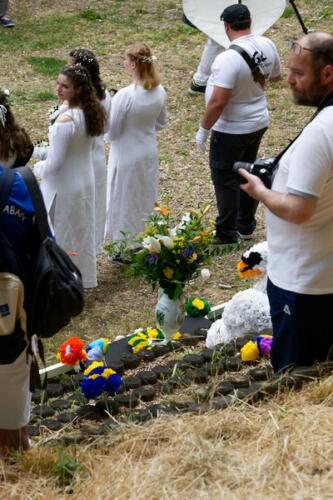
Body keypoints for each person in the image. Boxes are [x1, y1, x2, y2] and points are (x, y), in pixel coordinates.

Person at [239, 32, 333, 372]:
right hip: (323, 273)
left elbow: (299, 209)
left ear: (328, 75)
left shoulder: (322, 131)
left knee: (296, 378)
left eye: (298, 73)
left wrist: (260, 191)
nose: (288, 80)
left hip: (303, 285)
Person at [196, 3, 281, 245]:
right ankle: (246, 224)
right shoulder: (268, 44)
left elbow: (217, 103)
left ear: (226, 25)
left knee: (225, 178)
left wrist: (203, 129)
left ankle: (226, 233)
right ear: (249, 21)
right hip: (257, 121)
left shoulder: (227, 58)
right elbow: (275, 77)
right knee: (246, 170)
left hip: (231, 126)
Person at [34, 65, 106, 288]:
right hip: (84, 182)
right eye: (58, 83)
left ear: (78, 89)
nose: (58, 89)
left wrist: (35, 169)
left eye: (65, 86)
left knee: (59, 235)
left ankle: (59, 280)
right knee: (78, 233)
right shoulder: (90, 112)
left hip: (62, 187)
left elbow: (55, 164)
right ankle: (78, 276)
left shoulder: (65, 122)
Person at [0, 90, 36, 456]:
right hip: (12, 308)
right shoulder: (21, 186)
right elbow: (41, 243)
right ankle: (16, 448)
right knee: (12, 379)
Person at [105, 43, 167, 242]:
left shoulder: (124, 95)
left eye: (126, 60)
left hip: (125, 154)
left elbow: (112, 132)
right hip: (148, 151)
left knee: (123, 198)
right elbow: (160, 123)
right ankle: (145, 236)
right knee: (144, 196)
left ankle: (123, 242)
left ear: (133, 65)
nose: (124, 63)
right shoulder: (160, 91)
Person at [69, 48, 112, 254]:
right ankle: (90, 249)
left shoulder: (80, 103)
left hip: (85, 154)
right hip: (96, 154)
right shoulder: (105, 95)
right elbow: (107, 127)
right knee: (94, 202)